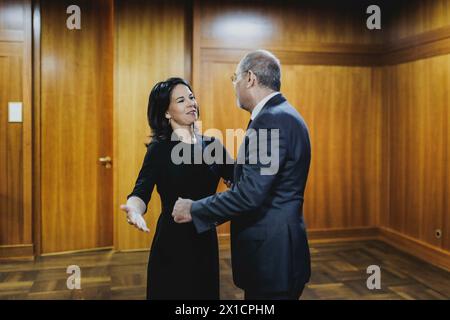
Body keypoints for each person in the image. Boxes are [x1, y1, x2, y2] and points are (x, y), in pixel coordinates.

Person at [172, 50, 312, 300]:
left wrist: (193, 209)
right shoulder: (285, 114)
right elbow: (265, 181)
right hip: (281, 252)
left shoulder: (270, 120)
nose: (234, 85)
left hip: (272, 256)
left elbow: (250, 195)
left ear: (249, 78)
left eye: (234, 78)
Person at [120, 77, 234, 299]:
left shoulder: (213, 145)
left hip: (205, 238)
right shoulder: (159, 150)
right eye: (181, 100)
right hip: (172, 241)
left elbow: (241, 183)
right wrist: (134, 209)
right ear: (166, 112)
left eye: (191, 97)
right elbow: (140, 192)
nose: (191, 103)